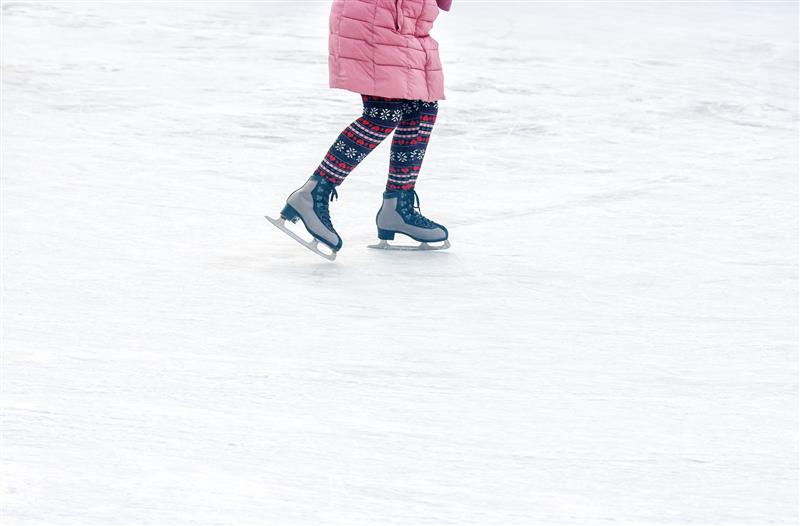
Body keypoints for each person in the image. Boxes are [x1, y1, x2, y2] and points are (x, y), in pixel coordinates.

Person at [268, 0, 453, 260]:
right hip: (376, 16)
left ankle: (397, 207)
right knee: (383, 113)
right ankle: (312, 193)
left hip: (409, 18)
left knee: (422, 109)